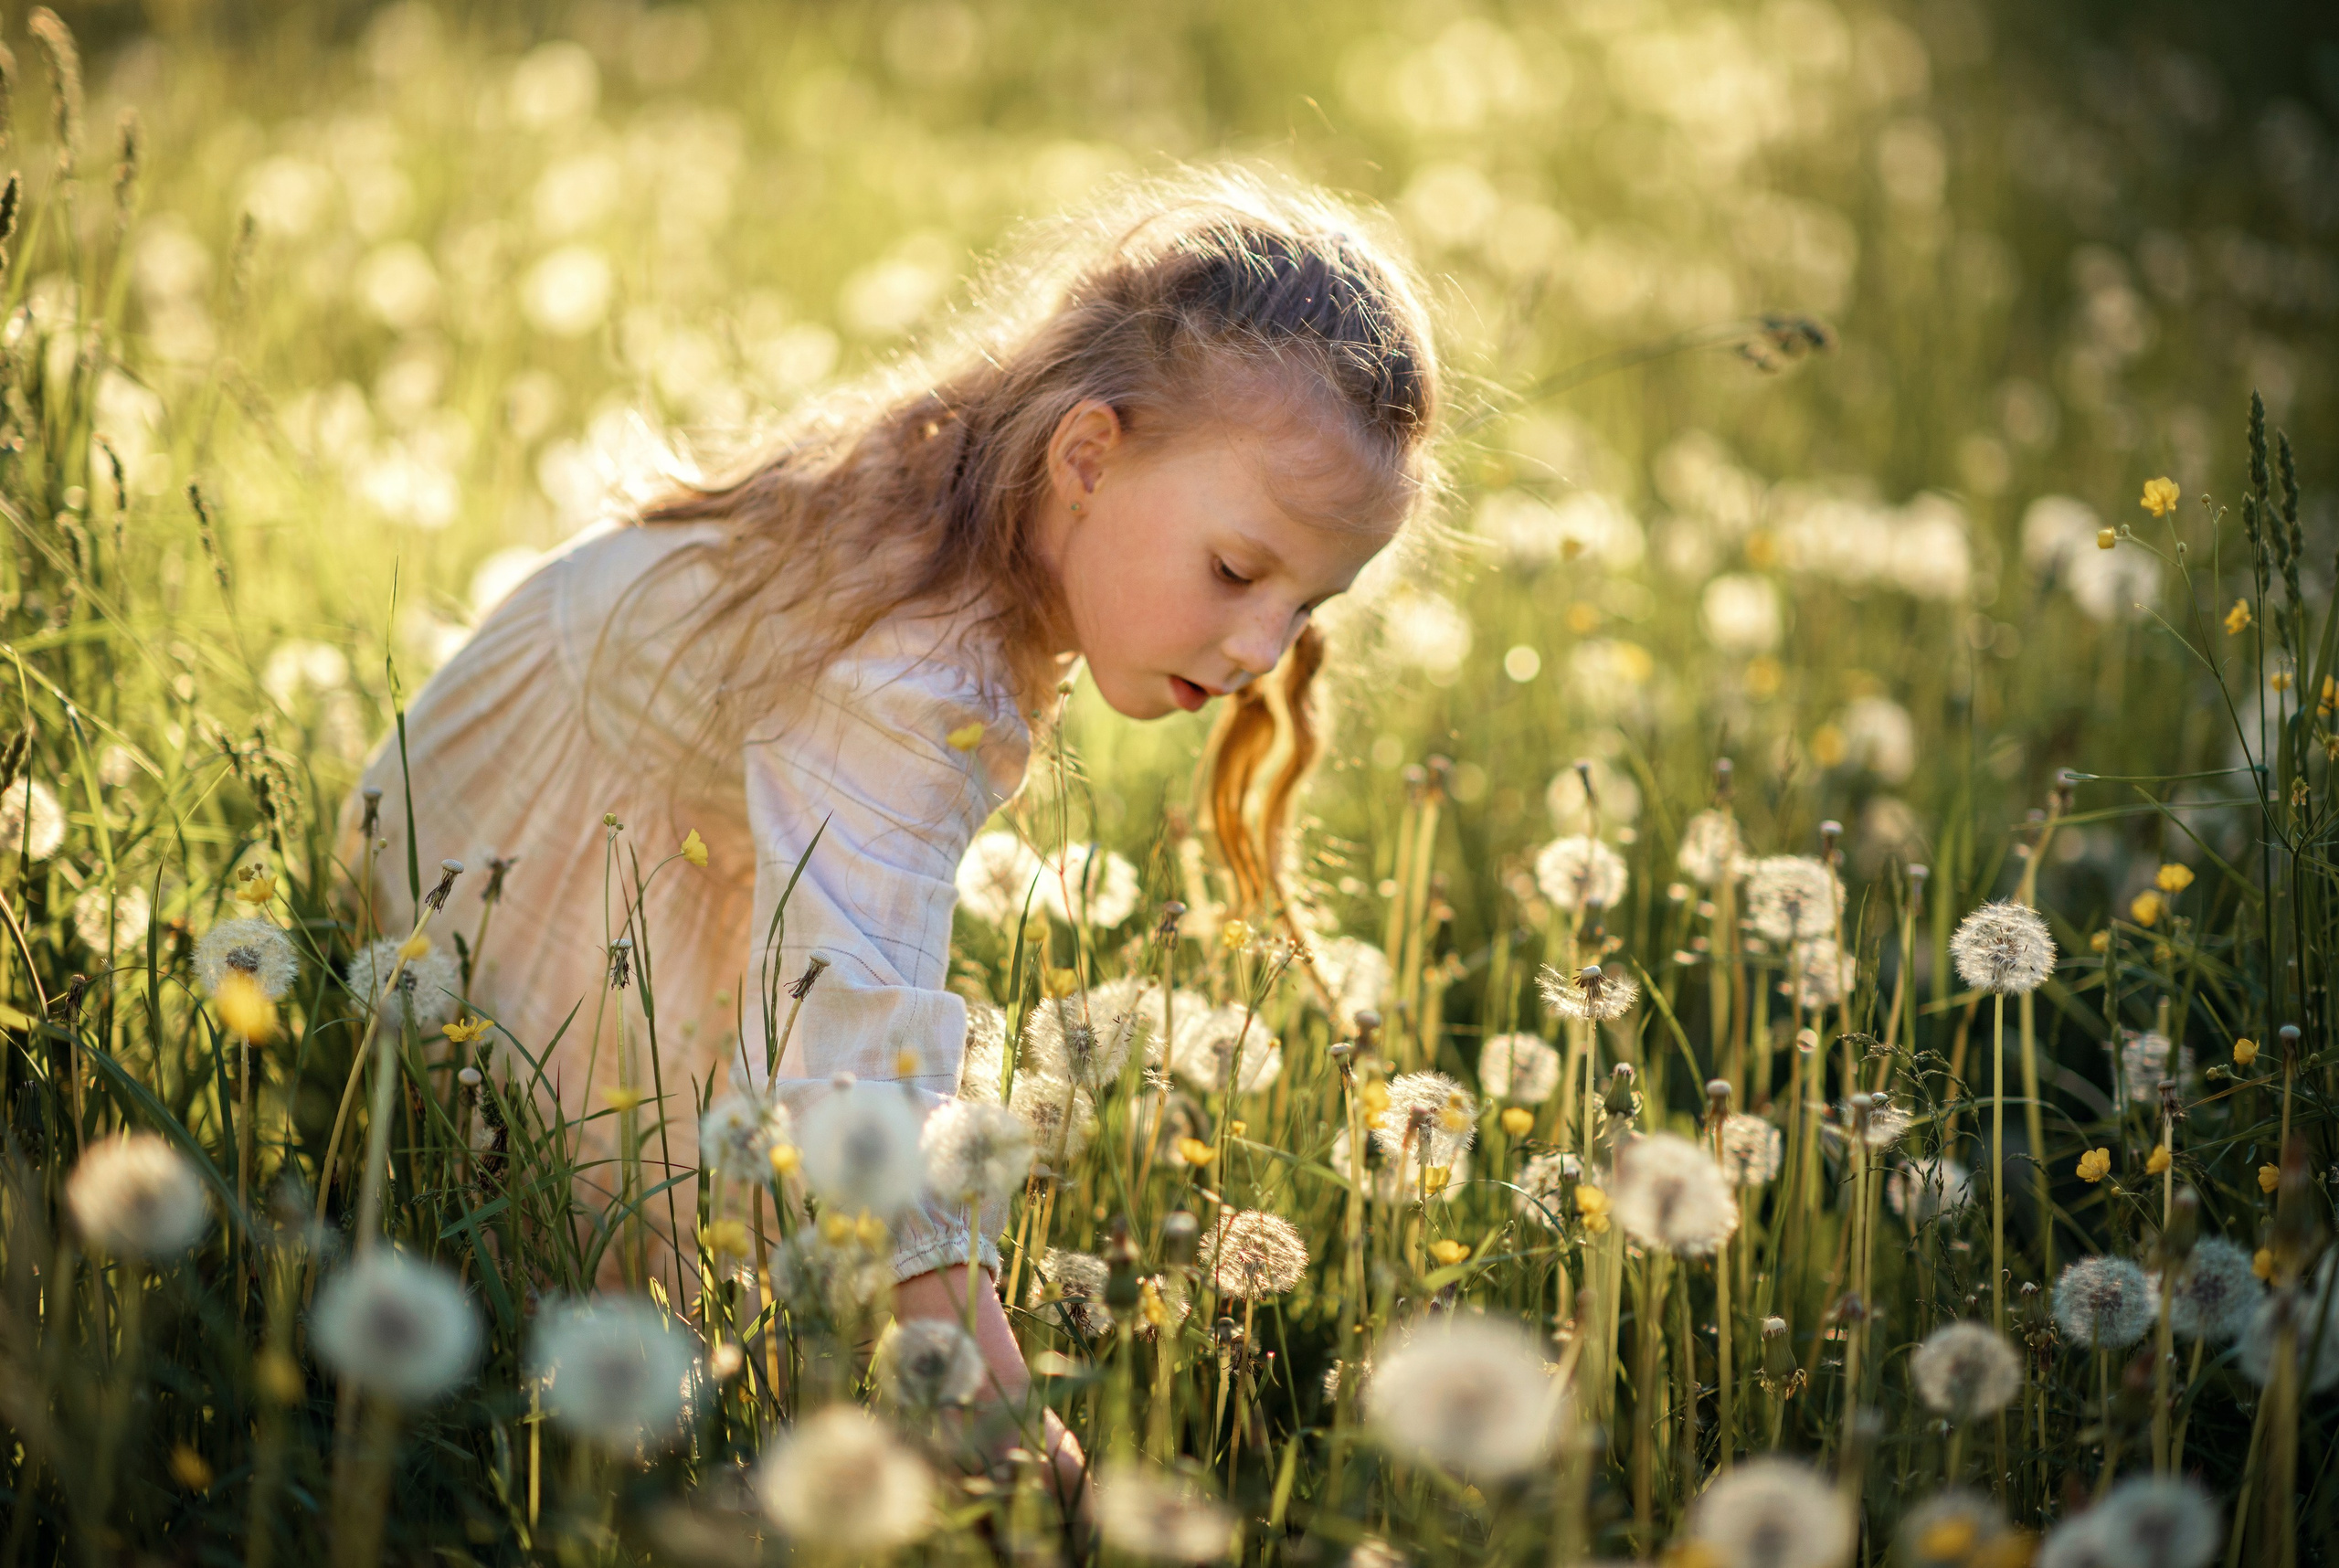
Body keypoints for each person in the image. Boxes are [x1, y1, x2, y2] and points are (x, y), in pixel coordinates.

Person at [335, 164, 1440, 1487]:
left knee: (681, 1283)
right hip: (522, 851)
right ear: (1088, 456)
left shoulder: (957, 494)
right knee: (581, 1343)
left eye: (1307, 606)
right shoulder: (919, 678)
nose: (1263, 645)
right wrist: (980, 1396)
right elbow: (855, 1054)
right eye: (1236, 570)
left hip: (592, 803)